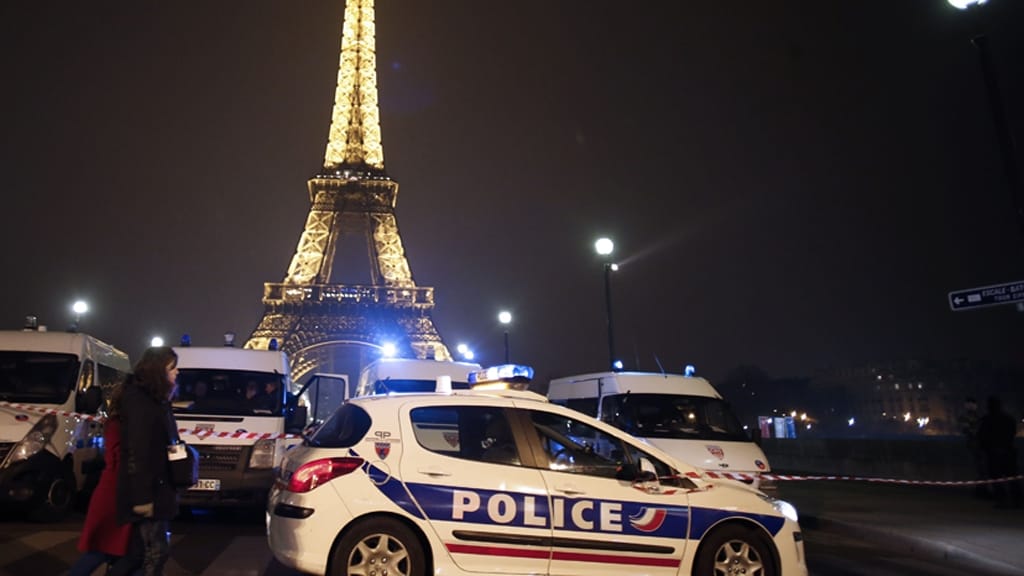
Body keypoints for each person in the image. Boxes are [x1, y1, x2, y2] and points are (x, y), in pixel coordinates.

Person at [118, 347, 181, 575]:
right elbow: (139, 449)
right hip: (150, 490)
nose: (177, 372)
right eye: (172, 367)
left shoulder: (157, 399)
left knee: (143, 553)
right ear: (158, 371)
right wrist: (143, 497)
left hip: (158, 486)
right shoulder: (142, 401)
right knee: (154, 552)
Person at [70, 382, 142, 576]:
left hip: (116, 494)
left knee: (119, 552)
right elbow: (121, 459)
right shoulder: (120, 424)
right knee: (104, 551)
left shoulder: (119, 422)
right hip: (115, 496)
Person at [977, 395, 1022, 509]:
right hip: (1007, 451)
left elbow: (982, 436)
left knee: (997, 478)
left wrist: (987, 448)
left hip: (994, 453)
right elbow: (1011, 434)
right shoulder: (1008, 419)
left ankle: (1003, 500)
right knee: (1012, 477)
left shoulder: (987, 420)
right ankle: (1016, 500)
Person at [958, 396, 988, 499]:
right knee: (980, 469)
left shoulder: (972, 417)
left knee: (981, 470)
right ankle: (982, 490)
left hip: (976, 445)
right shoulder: (974, 417)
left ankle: (982, 490)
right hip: (976, 445)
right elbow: (967, 430)